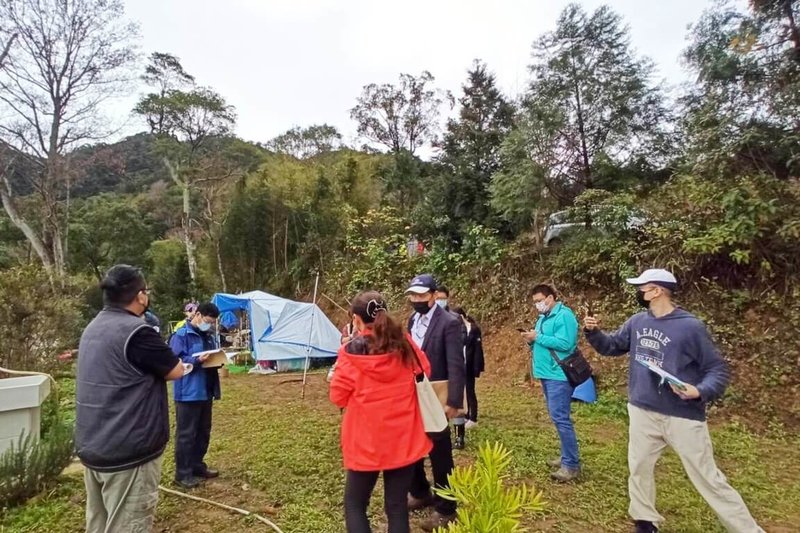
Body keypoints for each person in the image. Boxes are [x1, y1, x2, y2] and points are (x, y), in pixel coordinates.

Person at [584, 268, 764, 533]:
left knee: (708, 478)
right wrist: (594, 332)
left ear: (657, 291)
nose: (639, 293)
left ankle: (749, 530)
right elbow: (612, 346)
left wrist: (699, 390)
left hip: (682, 414)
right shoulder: (637, 322)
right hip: (642, 410)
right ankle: (645, 521)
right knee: (639, 467)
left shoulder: (690, 326)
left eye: (642, 288)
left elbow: (717, 369)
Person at [75, 265, 184, 533]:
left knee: (99, 524)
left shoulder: (93, 327)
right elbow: (175, 369)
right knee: (127, 525)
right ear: (141, 296)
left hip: (95, 445)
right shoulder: (137, 332)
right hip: (128, 451)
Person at [330, 291, 433, 533]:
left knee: (355, 504)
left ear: (356, 320)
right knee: (396, 507)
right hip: (404, 436)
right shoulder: (403, 342)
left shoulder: (351, 351)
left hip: (365, 440)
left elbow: (338, 397)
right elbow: (424, 368)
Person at [405, 274, 466, 531]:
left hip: (437, 394)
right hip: (414, 392)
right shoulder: (413, 320)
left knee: (440, 452)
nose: (416, 300)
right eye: (413, 295)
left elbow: (456, 363)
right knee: (413, 445)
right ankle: (420, 491)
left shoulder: (449, 323)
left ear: (432, 295)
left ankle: (446, 506)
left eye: (421, 295)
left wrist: (453, 400)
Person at [520, 284, 581, 482]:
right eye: (535, 302)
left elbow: (566, 343)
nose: (538, 304)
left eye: (540, 300)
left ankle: (571, 465)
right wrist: (530, 339)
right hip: (546, 374)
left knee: (561, 418)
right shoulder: (542, 318)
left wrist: (538, 337)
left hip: (559, 375)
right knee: (558, 417)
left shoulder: (565, 316)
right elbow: (540, 341)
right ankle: (566, 457)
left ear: (551, 297)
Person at [170, 302, 222, 489]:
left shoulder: (207, 336)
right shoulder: (181, 335)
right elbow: (174, 361)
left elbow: (213, 356)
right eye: (207, 321)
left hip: (205, 390)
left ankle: (197, 465)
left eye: (212, 323)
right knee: (186, 434)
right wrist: (197, 360)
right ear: (197, 315)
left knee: (203, 432)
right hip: (188, 392)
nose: (209, 325)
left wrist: (218, 360)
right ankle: (182, 474)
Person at [434, 284, 469, 449]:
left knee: (457, 403)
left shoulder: (454, 317)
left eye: (442, 298)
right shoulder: (429, 318)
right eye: (437, 298)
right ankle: (442, 434)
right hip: (436, 368)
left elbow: (462, 340)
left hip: (453, 365)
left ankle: (460, 436)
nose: (439, 301)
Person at [452, 307, 484, 429]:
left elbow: (477, 351)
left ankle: (473, 418)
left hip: (469, 365)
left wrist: (477, 367)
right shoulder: (458, 329)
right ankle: (465, 414)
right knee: (461, 391)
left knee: (470, 391)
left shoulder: (474, 329)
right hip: (459, 365)